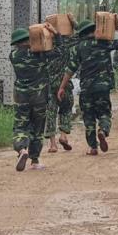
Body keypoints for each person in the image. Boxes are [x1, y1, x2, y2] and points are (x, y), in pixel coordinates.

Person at [57, 17, 118, 155]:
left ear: (81, 33)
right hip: (103, 87)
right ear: (94, 30)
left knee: (88, 118)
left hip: (86, 88)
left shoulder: (78, 47)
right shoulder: (104, 43)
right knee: (104, 113)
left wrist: (62, 87)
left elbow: (70, 69)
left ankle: (93, 147)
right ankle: (103, 130)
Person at [9, 23, 59, 171]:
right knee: (37, 129)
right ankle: (35, 161)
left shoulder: (13, 56)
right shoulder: (40, 54)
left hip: (21, 98)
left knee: (21, 125)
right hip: (39, 97)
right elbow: (60, 51)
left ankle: (21, 149)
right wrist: (55, 34)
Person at [44, 18, 78, 153]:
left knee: (50, 112)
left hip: (49, 84)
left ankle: (52, 144)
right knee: (66, 109)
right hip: (64, 83)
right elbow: (82, 35)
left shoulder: (44, 46)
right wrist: (73, 22)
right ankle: (63, 136)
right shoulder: (65, 45)